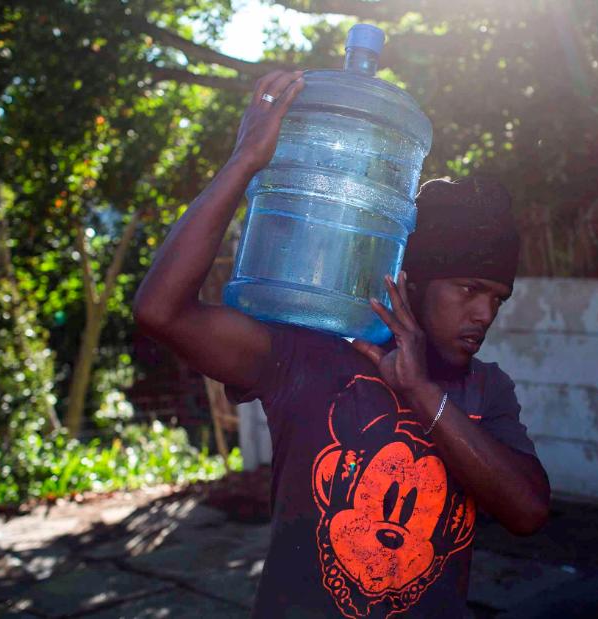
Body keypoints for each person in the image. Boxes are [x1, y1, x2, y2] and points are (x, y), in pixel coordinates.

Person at [133, 70, 550, 618]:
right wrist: (245, 163)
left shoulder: (486, 391)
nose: (484, 314)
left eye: (498, 299)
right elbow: (160, 311)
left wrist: (422, 393)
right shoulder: (310, 358)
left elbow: (528, 512)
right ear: (414, 282)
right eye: (470, 290)